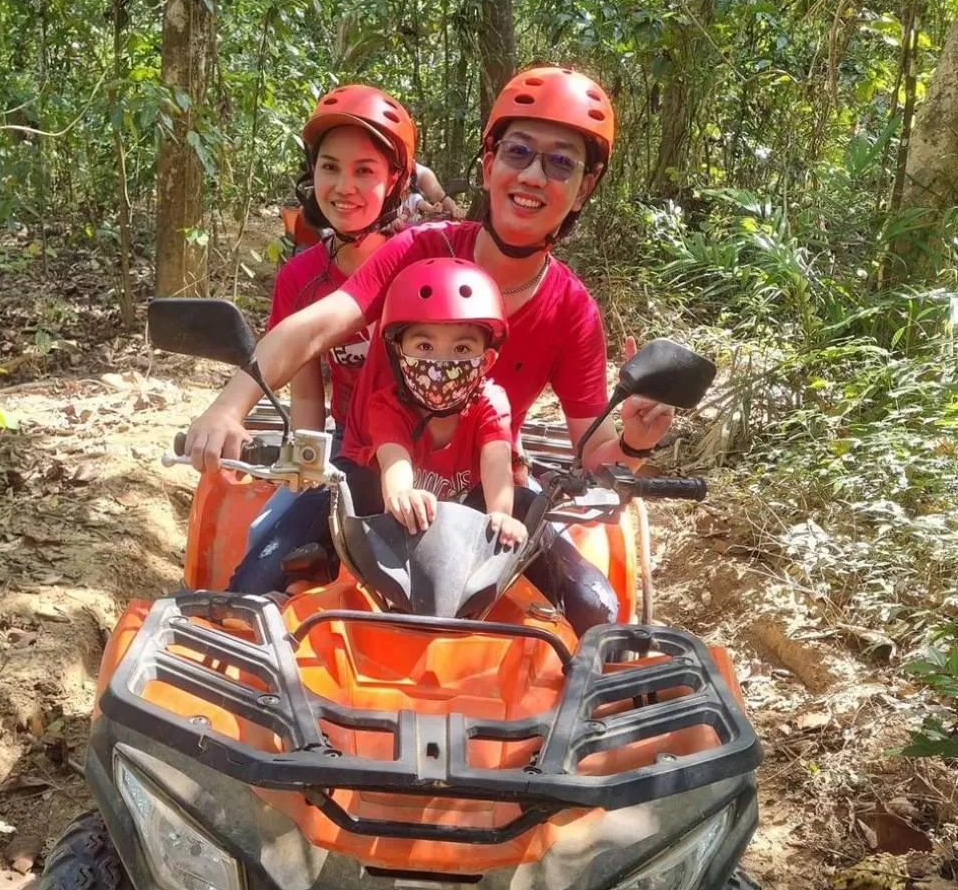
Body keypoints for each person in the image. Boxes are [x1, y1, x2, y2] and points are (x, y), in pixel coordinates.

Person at [186, 65, 674, 626]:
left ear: (585, 186)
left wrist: (634, 441)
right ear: (490, 165)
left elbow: (595, 453)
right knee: (251, 587)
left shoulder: (573, 309)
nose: (535, 175)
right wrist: (229, 405)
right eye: (519, 152)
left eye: (561, 162)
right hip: (366, 474)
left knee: (598, 608)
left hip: (487, 491)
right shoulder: (419, 249)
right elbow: (316, 326)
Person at [230, 83, 417, 593]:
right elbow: (308, 390)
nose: (343, 185)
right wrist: (305, 467)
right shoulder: (302, 277)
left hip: (433, 454)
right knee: (261, 563)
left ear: (395, 180)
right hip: (347, 452)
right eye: (330, 167)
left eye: (365, 171)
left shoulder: (426, 262)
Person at [340, 257, 525, 548]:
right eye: (424, 346)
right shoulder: (387, 406)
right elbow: (394, 461)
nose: (441, 363)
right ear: (400, 355)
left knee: (529, 504)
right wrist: (402, 494)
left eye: (462, 348)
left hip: (462, 523)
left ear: (486, 361)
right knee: (342, 489)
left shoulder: (490, 402)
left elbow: (497, 463)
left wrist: (501, 516)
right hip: (386, 521)